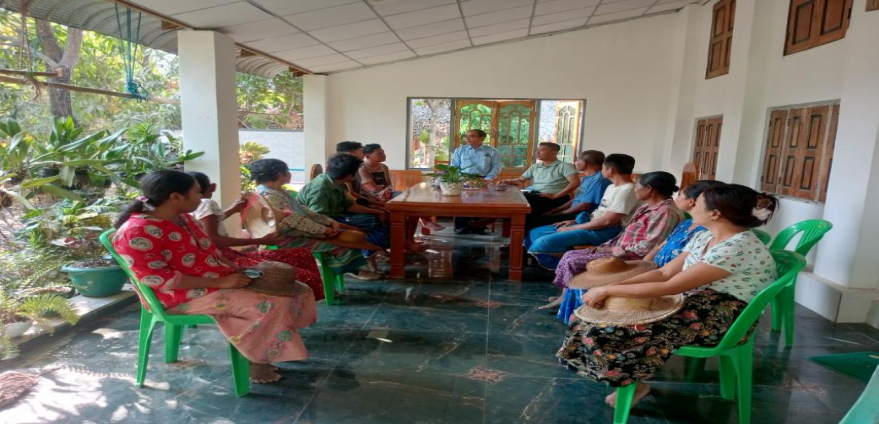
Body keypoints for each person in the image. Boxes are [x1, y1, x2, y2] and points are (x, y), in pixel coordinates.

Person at [556, 184, 779, 409]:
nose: (692, 206)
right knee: (589, 317)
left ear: (715, 213)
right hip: (696, 299)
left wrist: (607, 290)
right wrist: (611, 286)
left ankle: (632, 382)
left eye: (698, 203)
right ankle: (633, 375)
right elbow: (664, 273)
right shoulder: (705, 237)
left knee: (610, 328)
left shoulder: (736, 247)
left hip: (723, 317)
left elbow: (670, 286)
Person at [113, 170, 317, 384]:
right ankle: (255, 359)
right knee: (271, 303)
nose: (201, 197)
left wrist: (234, 271)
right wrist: (220, 282)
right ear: (176, 197)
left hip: (214, 280)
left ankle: (267, 347)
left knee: (293, 288)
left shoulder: (183, 219)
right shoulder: (137, 232)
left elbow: (209, 249)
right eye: (197, 192)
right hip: (179, 295)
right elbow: (157, 279)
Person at [555, 180, 726, 323]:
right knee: (587, 275)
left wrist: (608, 287)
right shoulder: (689, 226)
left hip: (665, 280)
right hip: (654, 269)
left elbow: (669, 281)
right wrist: (644, 266)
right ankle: (573, 314)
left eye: (681, 194)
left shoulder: (711, 237)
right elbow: (660, 248)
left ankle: (585, 318)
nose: (676, 198)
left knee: (593, 286)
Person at [538, 171, 683, 309]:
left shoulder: (665, 212)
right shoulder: (647, 207)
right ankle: (566, 297)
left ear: (649, 189)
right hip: (619, 249)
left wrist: (614, 249)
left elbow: (649, 246)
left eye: (637, 186)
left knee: (572, 260)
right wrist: (607, 245)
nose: (635, 190)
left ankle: (567, 299)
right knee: (569, 255)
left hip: (632, 256)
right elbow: (627, 232)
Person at [187, 171, 326, 301]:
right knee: (304, 277)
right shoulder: (206, 203)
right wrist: (261, 240)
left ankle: (311, 300)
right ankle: (305, 304)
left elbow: (208, 222)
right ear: (212, 187)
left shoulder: (188, 210)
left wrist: (233, 210)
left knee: (302, 254)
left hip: (226, 256)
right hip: (226, 259)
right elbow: (213, 239)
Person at [249, 158, 382, 281]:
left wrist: (330, 222)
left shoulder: (278, 191)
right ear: (280, 174)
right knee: (343, 245)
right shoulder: (269, 196)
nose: (289, 174)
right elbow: (296, 221)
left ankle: (341, 273)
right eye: (287, 171)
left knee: (350, 237)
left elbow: (304, 211)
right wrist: (324, 230)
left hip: (298, 231)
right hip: (285, 238)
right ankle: (345, 274)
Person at [299, 154, 424, 265]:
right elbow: (320, 218)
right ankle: (367, 254)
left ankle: (370, 252)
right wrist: (350, 227)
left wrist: (378, 211)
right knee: (379, 224)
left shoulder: (338, 182)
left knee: (385, 220)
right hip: (325, 223)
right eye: (356, 172)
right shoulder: (320, 189)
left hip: (338, 216)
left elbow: (350, 205)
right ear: (349, 174)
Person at [525, 154, 640, 270]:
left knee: (544, 242)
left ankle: (569, 269)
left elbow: (607, 221)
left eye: (603, 168)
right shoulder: (612, 187)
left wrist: (571, 228)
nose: (601, 170)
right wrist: (574, 221)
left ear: (611, 170)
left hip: (604, 231)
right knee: (536, 232)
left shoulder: (627, 190)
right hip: (593, 224)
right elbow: (600, 212)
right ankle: (555, 266)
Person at [360, 143, 444, 232]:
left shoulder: (384, 167)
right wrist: (383, 193)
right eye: (379, 153)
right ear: (367, 156)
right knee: (406, 201)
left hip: (387, 193)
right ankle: (424, 221)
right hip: (371, 196)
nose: (384, 155)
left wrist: (387, 190)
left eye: (383, 152)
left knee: (412, 197)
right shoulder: (362, 168)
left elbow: (389, 184)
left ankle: (423, 222)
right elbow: (371, 188)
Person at [528, 150, 612, 230]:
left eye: (577, 160)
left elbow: (585, 205)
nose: (575, 163)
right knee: (534, 213)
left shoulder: (598, 180)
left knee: (532, 221)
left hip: (583, 215)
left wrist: (561, 213)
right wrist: (555, 210)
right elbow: (575, 200)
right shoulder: (587, 178)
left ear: (585, 163)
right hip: (574, 211)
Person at [497, 142, 581, 217]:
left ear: (554, 153)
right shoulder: (536, 166)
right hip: (535, 195)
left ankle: (516, 224)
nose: (537, 152)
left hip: (554, 198)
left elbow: (575, 183)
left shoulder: (564, 166)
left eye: (542, 150)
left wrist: (555, 196)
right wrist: (508, 181)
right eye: (537, 150)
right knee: (510, 195)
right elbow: (520, 180)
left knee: (519, 199)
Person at [449, 129, 503, 234]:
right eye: (466, 136)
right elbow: (454, 167)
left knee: (482, 203)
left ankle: (478, 226)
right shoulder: (460, 150)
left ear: (481, 138)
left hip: (483, 179)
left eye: (472, 136)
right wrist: (458, 180)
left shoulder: (492, 151)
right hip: (463, 179)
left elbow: (496, 166)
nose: (468, 139)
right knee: (462, 203)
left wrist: (487, 179)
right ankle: (461, 226)